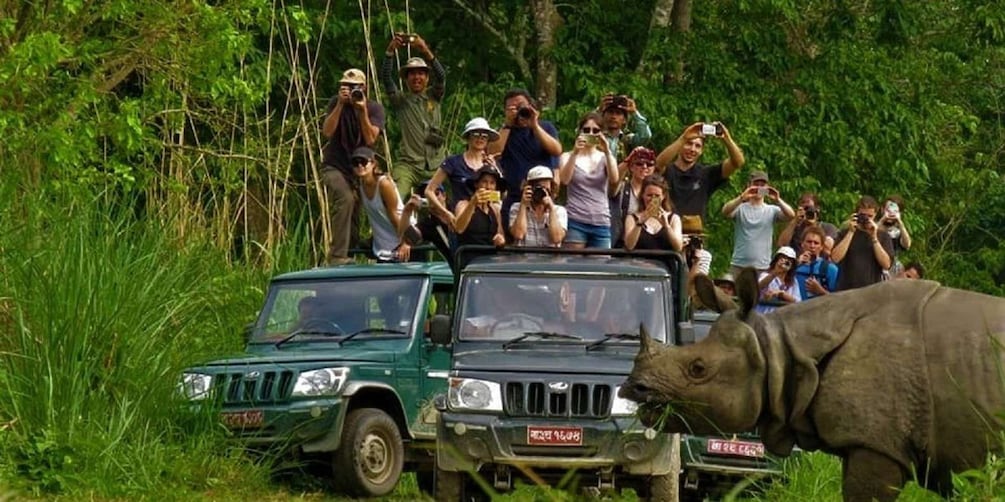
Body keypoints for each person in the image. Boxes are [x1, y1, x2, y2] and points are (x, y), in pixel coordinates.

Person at [320, 68, 386, 265]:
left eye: (354, 87)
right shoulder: (335, 102)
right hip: (334, 165)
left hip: (360, 167)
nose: (350, 91)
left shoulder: (374, 108)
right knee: (346, 199)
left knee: (364, 205)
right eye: (346, 86)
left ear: (364, 87)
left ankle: (354, 249)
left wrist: (362, 110)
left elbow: (370, 139)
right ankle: (337, 256)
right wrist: (340, 104)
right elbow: (327, 132)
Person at [380, 33, 447, 195]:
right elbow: (387, 79)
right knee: (393, 197)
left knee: (448, 201)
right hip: (409, 165)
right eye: (412, 73)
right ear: (406, 78)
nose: (417, 77)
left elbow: (441, 76)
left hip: (436, 166)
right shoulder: (401, 100)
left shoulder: (434, 96)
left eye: (421, 73)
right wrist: (390, 52)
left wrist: (425, 50)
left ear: (427, 78)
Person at [488, 88, 562, 227]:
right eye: (512, 108)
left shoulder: (545, 127)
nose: (518, 110)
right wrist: (508, 123)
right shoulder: (504, 131)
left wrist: (534, 125)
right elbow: (492, 151)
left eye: (521, 106)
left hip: (542, 196)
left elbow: (556, 150)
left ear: (530, 105)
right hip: (515, 196)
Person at [655, 121, 746, 228]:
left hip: (694, 237)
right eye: (688, 143)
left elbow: (738, 162)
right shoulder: (667, 171)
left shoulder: (706, 174)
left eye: (697, 146)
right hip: (666, 233)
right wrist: (684, 137)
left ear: (701, 151)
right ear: (679, 145)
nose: (692, 149)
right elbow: (658, 164)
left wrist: (726, 138)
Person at [558, 112, 619, 249]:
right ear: (580, 131)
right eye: (586, 130)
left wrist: (608, 151)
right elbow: (565, 180)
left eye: (596, 131)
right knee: (574, 266)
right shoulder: (567, 156)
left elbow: (614, 179)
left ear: (602, 133)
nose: (591, 133)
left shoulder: (605, 157)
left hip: (601, 221)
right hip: (576, 219)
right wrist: (575, 152)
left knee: (600, 267)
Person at [721, 171, 795, 277]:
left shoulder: (772, 210)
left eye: (762, 185)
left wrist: (778, 200)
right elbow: (725, 212)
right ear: (749, 185)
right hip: (738, 265)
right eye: (756, 184)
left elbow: (791, 215)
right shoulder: (740, 208)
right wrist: (742, 197)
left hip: (762, 266)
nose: (759, 188)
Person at [424, 117, 499, 216]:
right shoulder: (453, 162)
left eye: (484, 136)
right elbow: (429, 191)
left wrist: (495, 170)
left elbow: (499, 196)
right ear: (468, 137)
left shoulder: (490, 165)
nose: (480, 138)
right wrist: (445, 213)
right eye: (476, 134)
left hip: (486, 220)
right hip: (460, 217)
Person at [351, 147, 410, 262]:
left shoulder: (384, 184)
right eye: (355, 163)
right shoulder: (360, 186)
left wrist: (406, 242)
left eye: (363, 162)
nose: (359, 166)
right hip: (383, 244)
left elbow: (395, 216)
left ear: (373, 164)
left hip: (403, 234)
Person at [830, 196, 895, 291]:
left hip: (870, 292)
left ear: (875, 215)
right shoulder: (845, 233)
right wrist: (851, 232)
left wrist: (874, 238)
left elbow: (886, 264)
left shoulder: (883, 236)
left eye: (870, 216)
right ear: (856, 214)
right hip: (846, 291)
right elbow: (835, 258)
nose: (866, 219)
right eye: (863, 215)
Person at [610, 147, 657, 248]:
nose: (644, 167)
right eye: (639, 163)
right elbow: (613, 180)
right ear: (631, 167)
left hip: (649, 245)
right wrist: (629, 158)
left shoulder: (657, 191)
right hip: (622, 245)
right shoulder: (622, 188)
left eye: (649, 164)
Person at [509, 166, 567, 247]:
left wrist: (551, 209)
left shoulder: (559, 210)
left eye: (545, 188)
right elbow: (519, 235)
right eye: (538, 188)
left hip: (549, 258)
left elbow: (557, 239)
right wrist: (523, 205)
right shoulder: (516, 208)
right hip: (524, 257)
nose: (542, 192)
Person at [398, 180, 454, 262]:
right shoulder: (428, 224)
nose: (432, 198)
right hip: (460, 269)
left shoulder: (458, 208)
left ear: (444, 195)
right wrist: (407, 211)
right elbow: (410, 238)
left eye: (436, 193)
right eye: (426, 196)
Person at [624, 175, 683, 252]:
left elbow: (678, 247)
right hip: (638, 262)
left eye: (657, 196)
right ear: (643, 195)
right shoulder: (631, 218)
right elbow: (629, 246)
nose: (653, 199)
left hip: (665, 262)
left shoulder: (673, 218)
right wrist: (640, 223)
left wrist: (666, 226)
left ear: (663, 196)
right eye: (649, 195)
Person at [454, 166, 507, 248]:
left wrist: (500, 239)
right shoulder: (463, 204)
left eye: (492, 183)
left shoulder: (496, 208)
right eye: (484, 182)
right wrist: (472, 203)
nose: (488, 187)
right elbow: (459, 229)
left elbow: (500, 234)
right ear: (476, 184)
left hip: (490, 255)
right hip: (469, 254)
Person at [777, 192, 839, 256]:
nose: (808, 211)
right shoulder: (795, 228)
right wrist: (795, 220)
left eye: (810, 208)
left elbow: (828, 249)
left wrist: (813, 225)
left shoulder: (828, 228)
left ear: (817, 209)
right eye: (805, 209)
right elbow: (782, 245)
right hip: (799, 263)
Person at [598, 93, 652, 161]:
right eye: (610, 112)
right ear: (603, 116)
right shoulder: (596, 137)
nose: (613, 117)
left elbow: (645, 136)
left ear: (624, 120)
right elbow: (584, 134)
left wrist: (634, 112)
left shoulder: (627, 140)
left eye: (618, 113)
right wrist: (598, 111)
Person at [793, 225, 839, 300]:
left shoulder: (830, 268)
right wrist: (796, 264)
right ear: (802, 244)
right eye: (809, 242)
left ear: (821, 247)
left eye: (816, 243)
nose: (812, 246)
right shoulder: (792, 265)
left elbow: (839, 299)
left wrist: (820, 291)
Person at [755, 246, 801, 314]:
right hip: (765, 315)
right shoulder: (766, 276)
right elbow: (758, 287)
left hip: (784, 317)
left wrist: (781, 294)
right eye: (783, 258)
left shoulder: (793, 281)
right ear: (776, 260)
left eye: (789, 260)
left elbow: (798, 303)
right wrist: (775, 272)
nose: (786, 261)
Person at [877, 195, 913, 276]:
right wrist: (883, 219)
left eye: (894, 211)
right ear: (882, 209)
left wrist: (900, 222)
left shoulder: (897, 232)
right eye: (888, 210)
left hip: (892, 271)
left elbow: (907, 245)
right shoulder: (875, 225)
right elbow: (870, 233)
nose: (891, 213)